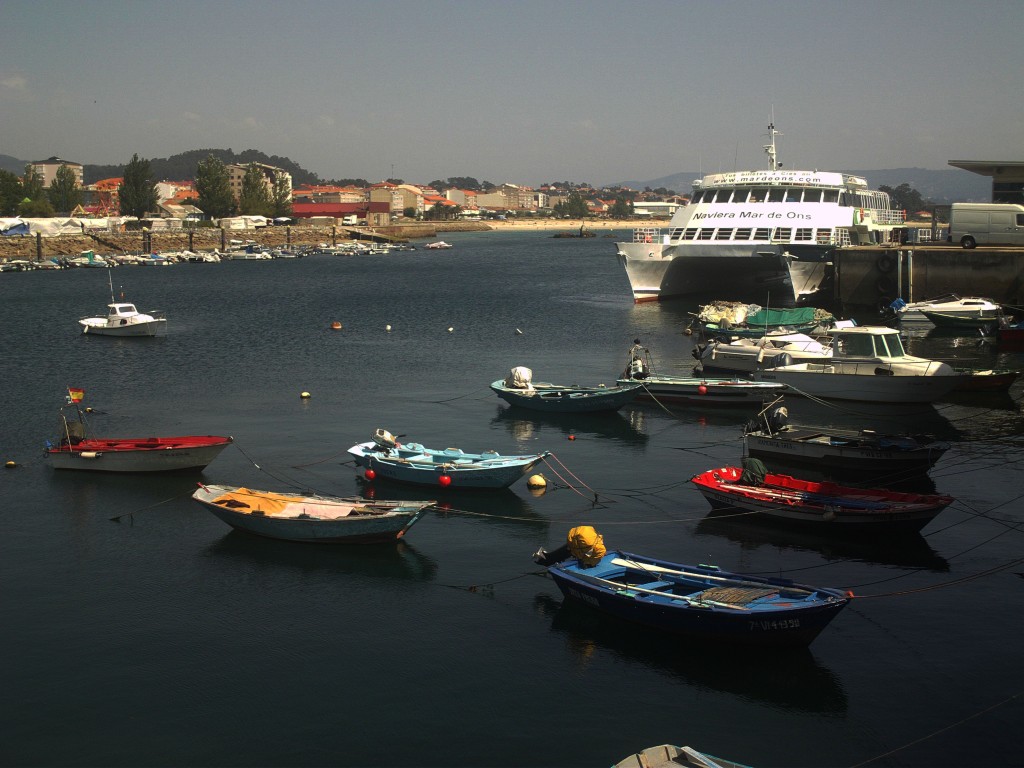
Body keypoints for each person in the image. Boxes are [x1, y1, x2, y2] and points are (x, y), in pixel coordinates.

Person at [533, 525, 606, 568]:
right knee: (560, 555)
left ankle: (544, 558)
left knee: (560, 553)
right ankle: (545, 560)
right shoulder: (599, 550)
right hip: (577, 543)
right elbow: (592, 559)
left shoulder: (597, 543)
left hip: (575, 540)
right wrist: (587, 563)